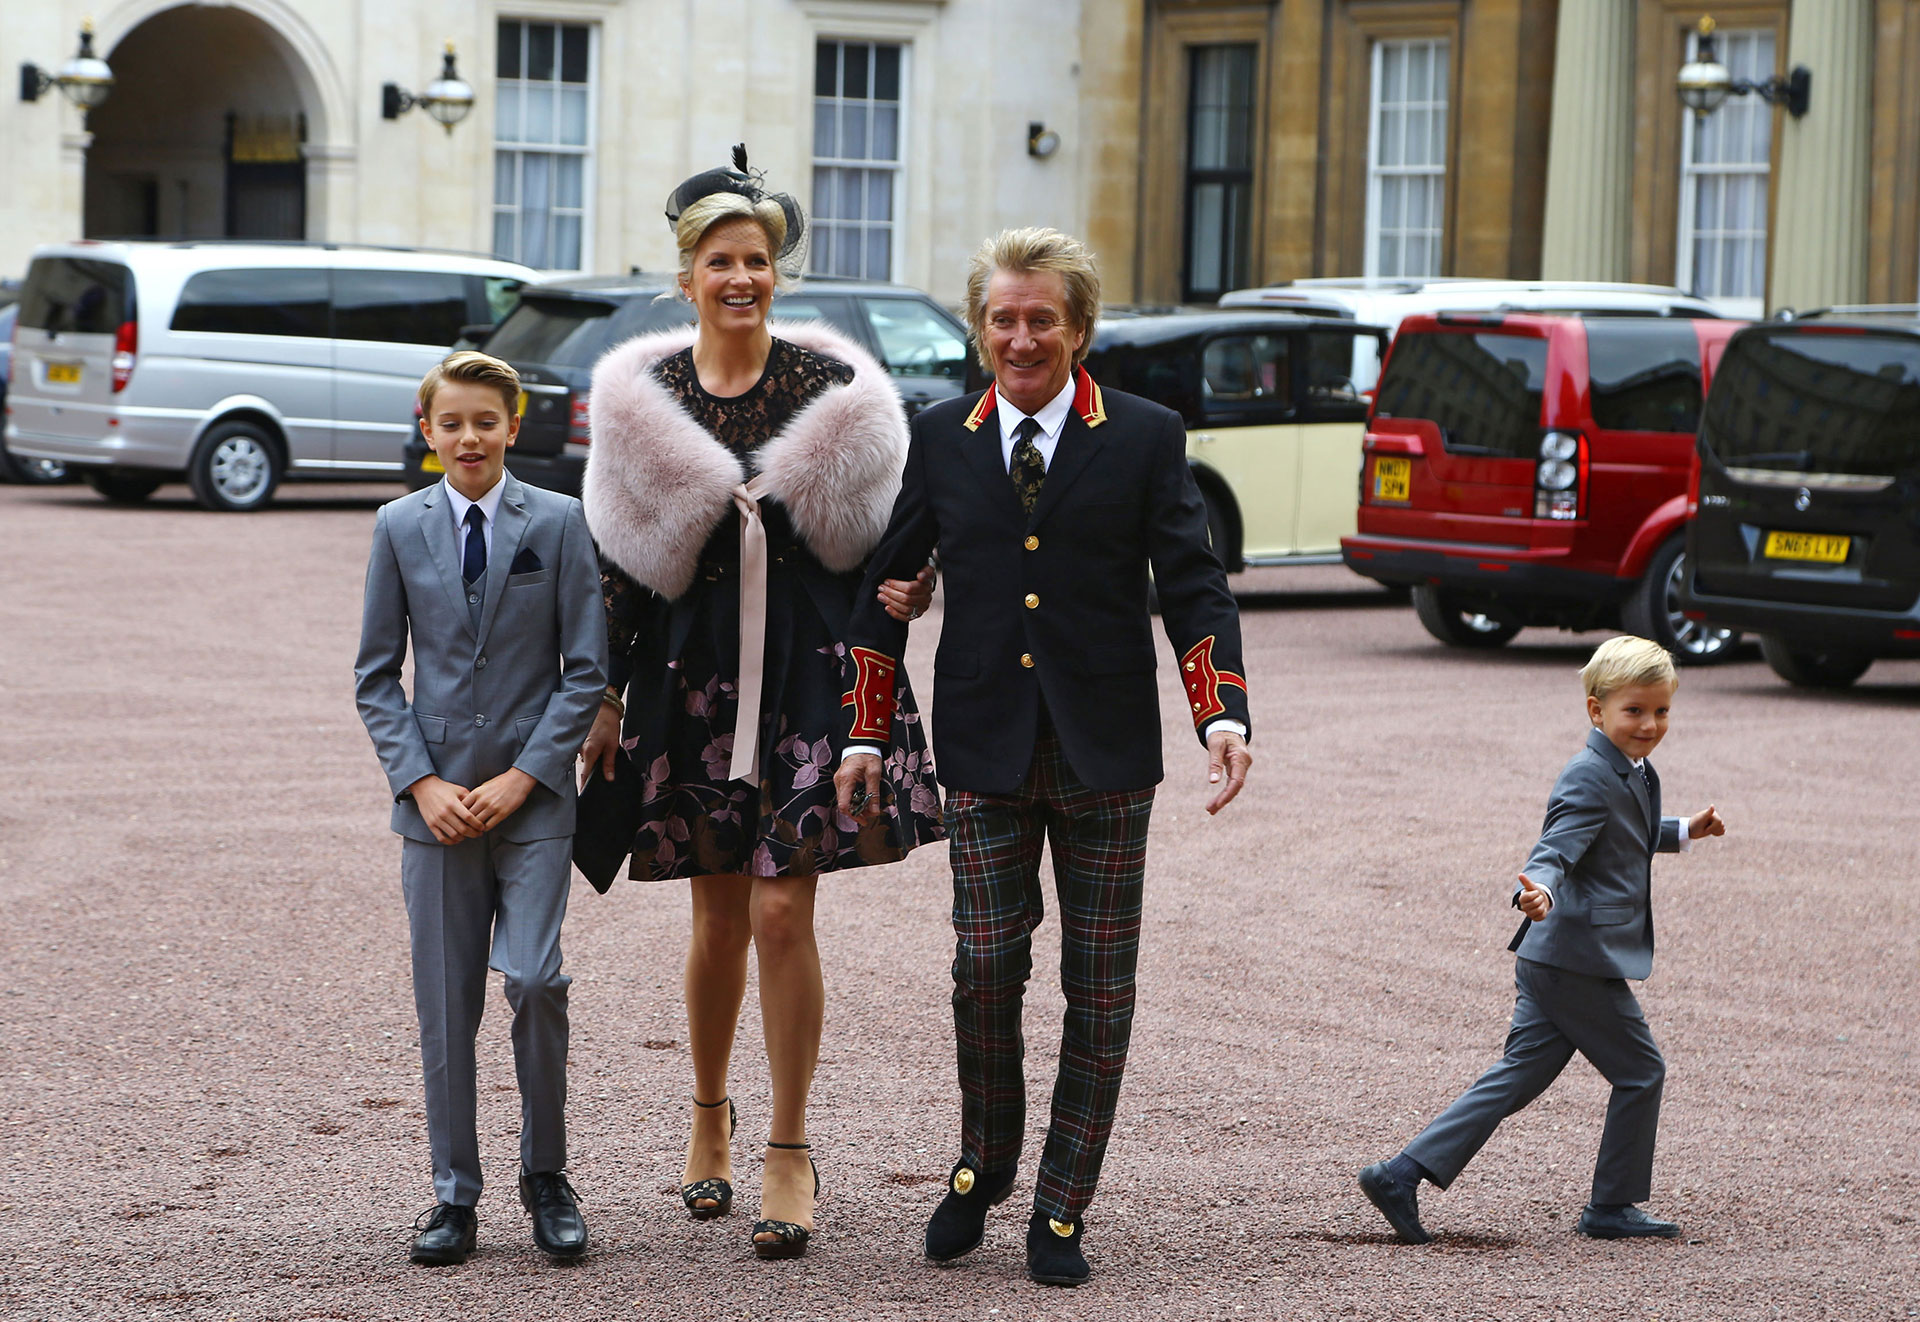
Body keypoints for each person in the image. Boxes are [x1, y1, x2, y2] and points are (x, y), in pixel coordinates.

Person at [834, 227, 1254, 1287]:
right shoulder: (940, 436)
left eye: (1042, 318)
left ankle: (1062, 1203)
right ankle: (985, 1159)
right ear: (981, 328)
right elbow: (884, 588)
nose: (1022, 337)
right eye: (1002, 318)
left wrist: (1221, 711)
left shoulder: (1149, 434)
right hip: (984, 741)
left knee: (1099, 988)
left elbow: (1194, 580)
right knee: (984, 966)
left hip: (1107, 748)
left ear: (1079, 327)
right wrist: (864, 727)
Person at [578, 149, 941, 1261]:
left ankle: (788, 1142)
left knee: (787, 908)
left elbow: (895, 540)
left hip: (812, 675)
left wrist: (917, 587)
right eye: (722, 260)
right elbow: (620, 568)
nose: (743, 277)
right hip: (690, 675)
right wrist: (599, 696)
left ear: (778, 271)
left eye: (760, 260)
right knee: (716, 913)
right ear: (684, 276)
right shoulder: (641, 408)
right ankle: (706, 1116)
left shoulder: (839, 397)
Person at [353, 350, 608, 1266]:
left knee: (536, 979)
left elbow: (586, 671)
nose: (470, 437)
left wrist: (527, 775)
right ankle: (454, 1194)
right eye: (452, 422)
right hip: (436, 807)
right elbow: (376, 675)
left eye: (486, 422)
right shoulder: (396, 526)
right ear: (428, 430)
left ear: (514, 426)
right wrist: (420, 783)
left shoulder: (563, 521)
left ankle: (548, 1175)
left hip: (531, 803)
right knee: (446, 1002)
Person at [1358, 635, 1728, 1244]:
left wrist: (1686, 829)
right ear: (1595, 711)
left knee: (1517, 1075)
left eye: (1661, 711)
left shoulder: (1629, 768)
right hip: (1574, 959)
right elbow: (1555, 850)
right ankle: (1610, 1206)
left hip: (1554, 958)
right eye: (1634, 710)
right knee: (1642, 1072)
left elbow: (1625, 831)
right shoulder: (1587, 775)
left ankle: (1400, 1174)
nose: (1650, 724)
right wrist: (1541, 893)